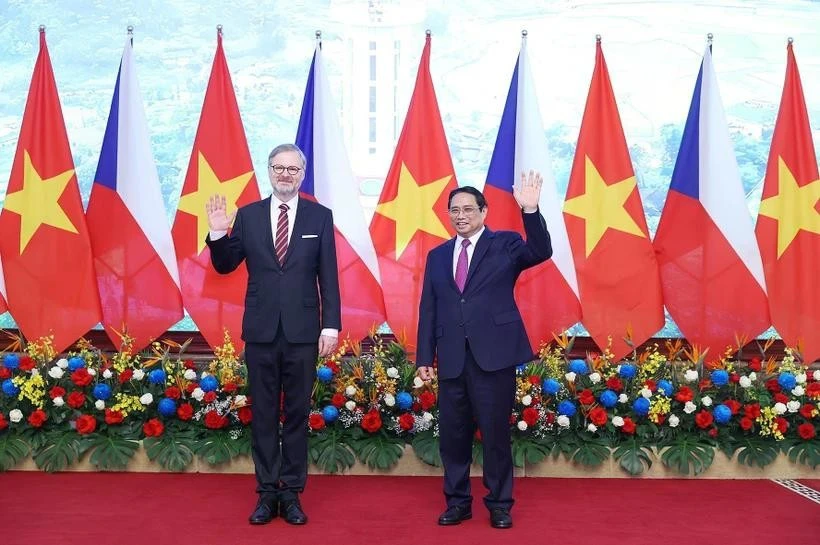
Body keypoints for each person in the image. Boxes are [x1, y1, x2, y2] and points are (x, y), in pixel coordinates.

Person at [206, 143, 341, 526]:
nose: (285, 174)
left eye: (292, 169)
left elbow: (327, 275)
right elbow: (225, 265)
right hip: (262, 332)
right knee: (264, 414)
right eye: (278, 168)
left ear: (302, 173)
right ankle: (266, 493)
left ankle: (292, 493)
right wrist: (218, 234)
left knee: (297, 414)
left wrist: (330, 324)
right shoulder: (247, 216)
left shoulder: (319, 216)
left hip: (303, 333)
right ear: (269, 171)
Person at [416, 171, 551, 529]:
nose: (461, 215)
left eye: (468, 209)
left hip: (494, 357)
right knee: (453, 437)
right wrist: (423, 358)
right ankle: (458, 502)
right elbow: (428, 308)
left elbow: (541, 250)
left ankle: (500, 504)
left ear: (484, 211)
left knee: (494, 435)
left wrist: (531, 209)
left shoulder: (505, 244)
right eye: (454, 210)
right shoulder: (437, 255)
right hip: (451, 359)